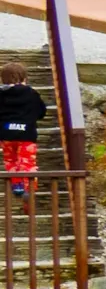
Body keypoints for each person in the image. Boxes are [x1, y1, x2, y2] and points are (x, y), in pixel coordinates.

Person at [0, 64, 44, 197]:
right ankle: (28, 187)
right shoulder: (31, 94)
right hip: (26, 135)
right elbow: (41, 112)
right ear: (24, 77)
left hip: (6, 134)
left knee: (10, 160)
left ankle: (17, 185)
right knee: (27, 161)